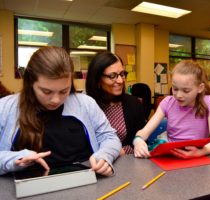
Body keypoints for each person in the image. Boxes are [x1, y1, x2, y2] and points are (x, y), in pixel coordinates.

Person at [0, 46, 121, 176]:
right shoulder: (5, 108)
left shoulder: (86, 104)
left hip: (85, 181)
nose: (56, 100)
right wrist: (16, 159)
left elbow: (109, 137)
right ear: (30, 83)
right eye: (46, 91)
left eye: (64, 91)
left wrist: (104, 156)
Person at [133, 60, 210, 158]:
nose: (179, 95)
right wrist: (138, 140)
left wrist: (200, 152)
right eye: (175, 89)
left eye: (186, 90)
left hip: (197, 155)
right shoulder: (167, 102)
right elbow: (144, 131)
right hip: (170, 155)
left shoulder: (209, 102)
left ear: (200, 88)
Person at [85, 51, 146, 155]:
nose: (120, 81)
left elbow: (142, 139)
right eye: (112, 76)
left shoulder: (134, 104)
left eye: (122, 74)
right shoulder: (87, 106)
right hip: (93, 164)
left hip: (126, 164)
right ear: (98, 79)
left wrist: (117, 153)